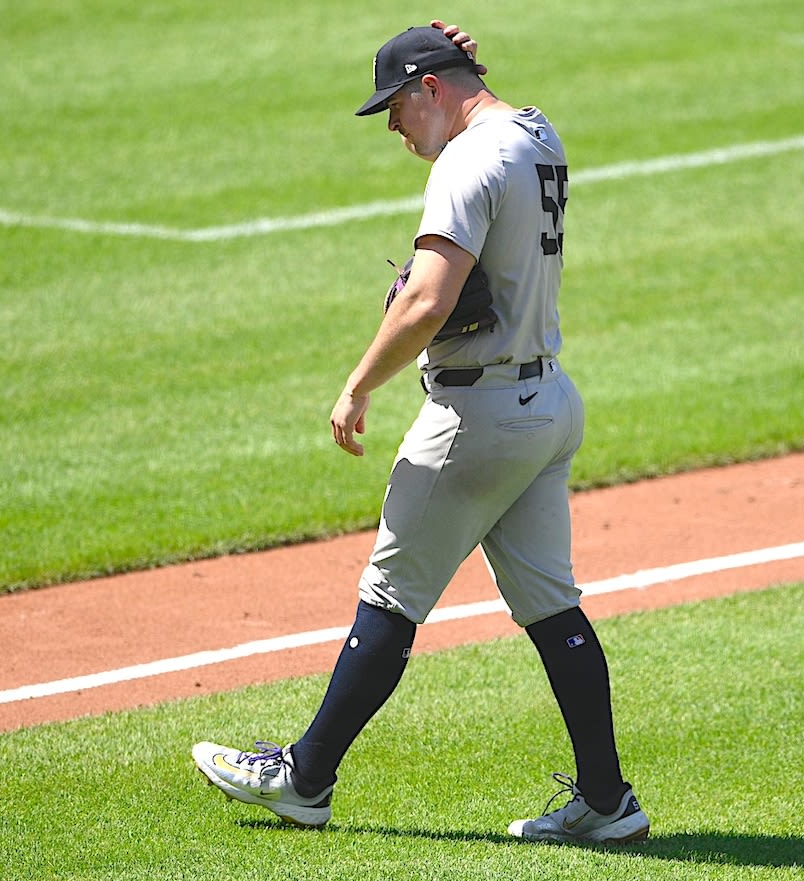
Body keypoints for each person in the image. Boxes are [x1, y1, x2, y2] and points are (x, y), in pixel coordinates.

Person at [192, 20, 649, 845]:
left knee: (391, 594)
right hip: (545, 402)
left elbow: (430, 297)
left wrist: (359, 382)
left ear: (431, 89)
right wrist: (469, 64)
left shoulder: (466, 160)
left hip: (476, 418)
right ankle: (608, 800)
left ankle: (304, 776)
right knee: (552, 607)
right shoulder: (535, 132)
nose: (396, 131)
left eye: (397, 110)